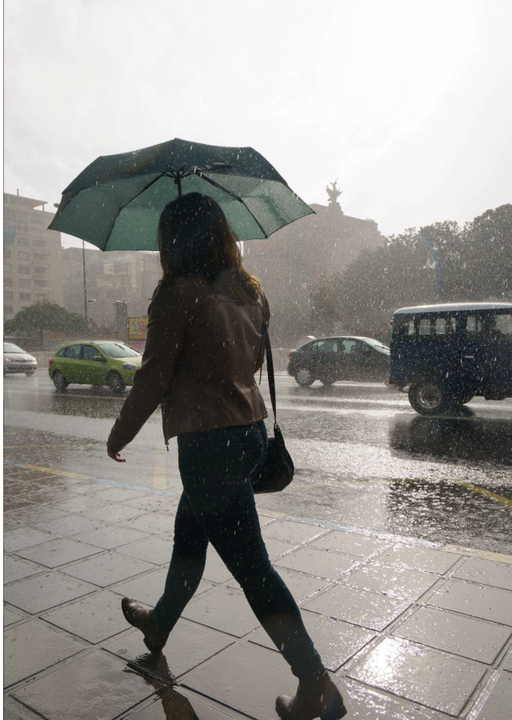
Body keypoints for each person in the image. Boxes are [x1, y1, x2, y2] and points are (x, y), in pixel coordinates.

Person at [107, 193, 346, 720]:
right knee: (189, 531)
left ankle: (317, 686)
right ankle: (160, 621)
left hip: (209, 445)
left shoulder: (176, 295)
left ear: (173, 241)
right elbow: (253, 362)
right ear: (222, 235)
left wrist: (119, 435)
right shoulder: (249, 292)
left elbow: (152, 376)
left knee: (254, 570)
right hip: (249, 434)